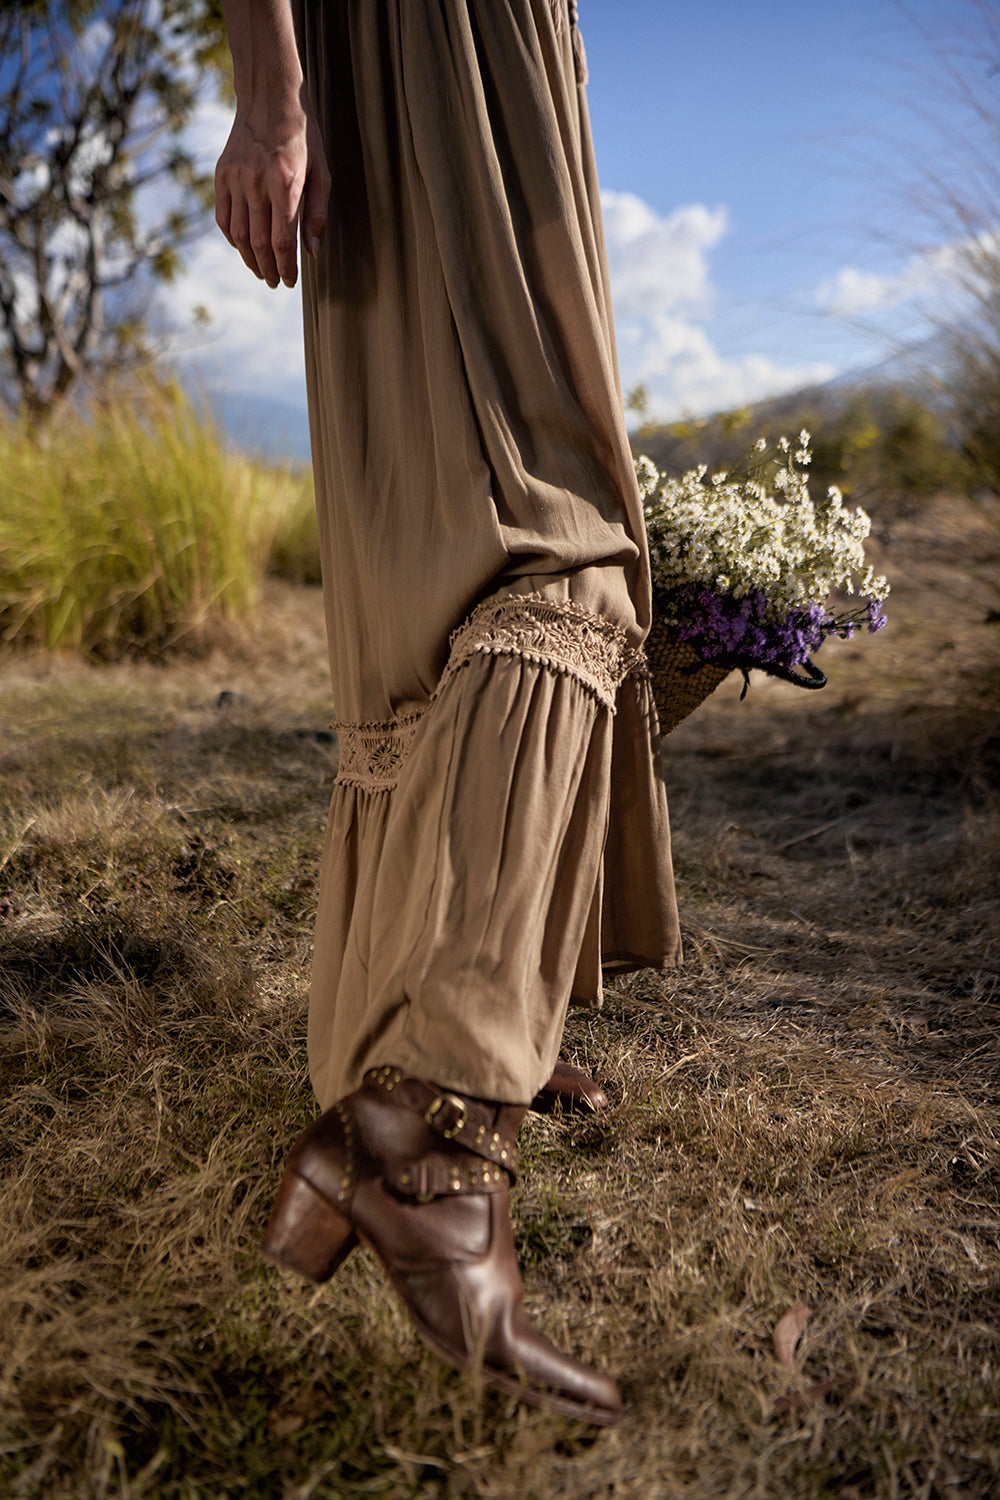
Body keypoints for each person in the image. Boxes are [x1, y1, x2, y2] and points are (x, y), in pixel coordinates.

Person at [215, 0, 681, 1426]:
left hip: (505, 59)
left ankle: (463, 1023)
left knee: (439, 567)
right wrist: (274, 90)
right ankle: (428, 1142)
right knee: (570, 563)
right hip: (422, 53)